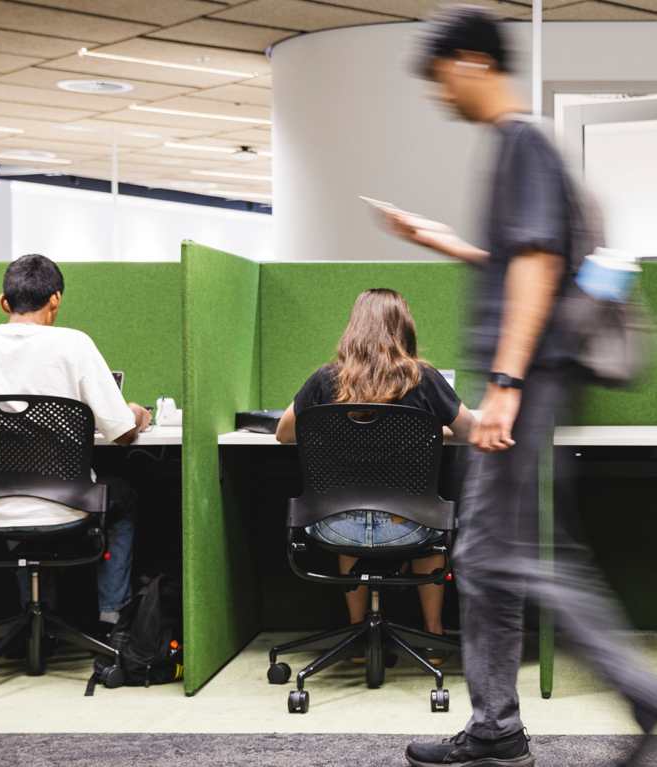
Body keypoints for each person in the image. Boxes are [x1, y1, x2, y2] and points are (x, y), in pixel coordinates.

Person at [373, 7, 657, 766]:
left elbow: (535, 266)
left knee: (507, 555)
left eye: (439, 79)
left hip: (523, 385)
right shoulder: (519, 146)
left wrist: (503, 381)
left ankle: (640, 690)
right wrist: (443, 241)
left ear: (470, 62)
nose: (438, 96)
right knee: (503, 553)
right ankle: (496, 726)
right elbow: (524, 260)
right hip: (533, 382)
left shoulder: (522, 140)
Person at [0, 254, 152, 636]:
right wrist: (135, 413)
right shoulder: (74, 345)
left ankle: (35, 619)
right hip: (69, 507)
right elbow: (124, 436)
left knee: (12, 498)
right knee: (123, 495)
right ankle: (113, 618)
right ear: (56, 299)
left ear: (4, 302)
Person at [276, 288, 474, 661]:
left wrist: (331, 429)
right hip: (410, 527)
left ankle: (357, 636)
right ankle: (433, 634)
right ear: (405, 329)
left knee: (347, 510)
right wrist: (433, 431)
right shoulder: (425, 379)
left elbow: (284, 433)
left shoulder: (325, 380)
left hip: (335, 529)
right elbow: (472, 434)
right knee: (430, 516)